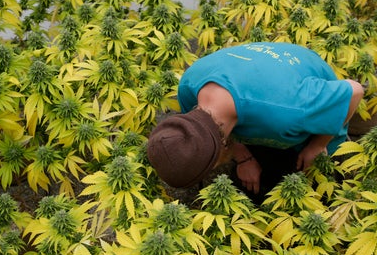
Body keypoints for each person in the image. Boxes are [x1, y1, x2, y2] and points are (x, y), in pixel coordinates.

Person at [146, 42, 364, 202]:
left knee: (309, 192)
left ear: (222, 146)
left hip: (306, 86)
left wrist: (317, 146)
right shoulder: (189, 88)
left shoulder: (289, 110)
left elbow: (354, 91)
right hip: (259, 80)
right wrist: (243, 158)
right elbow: (221, 131)